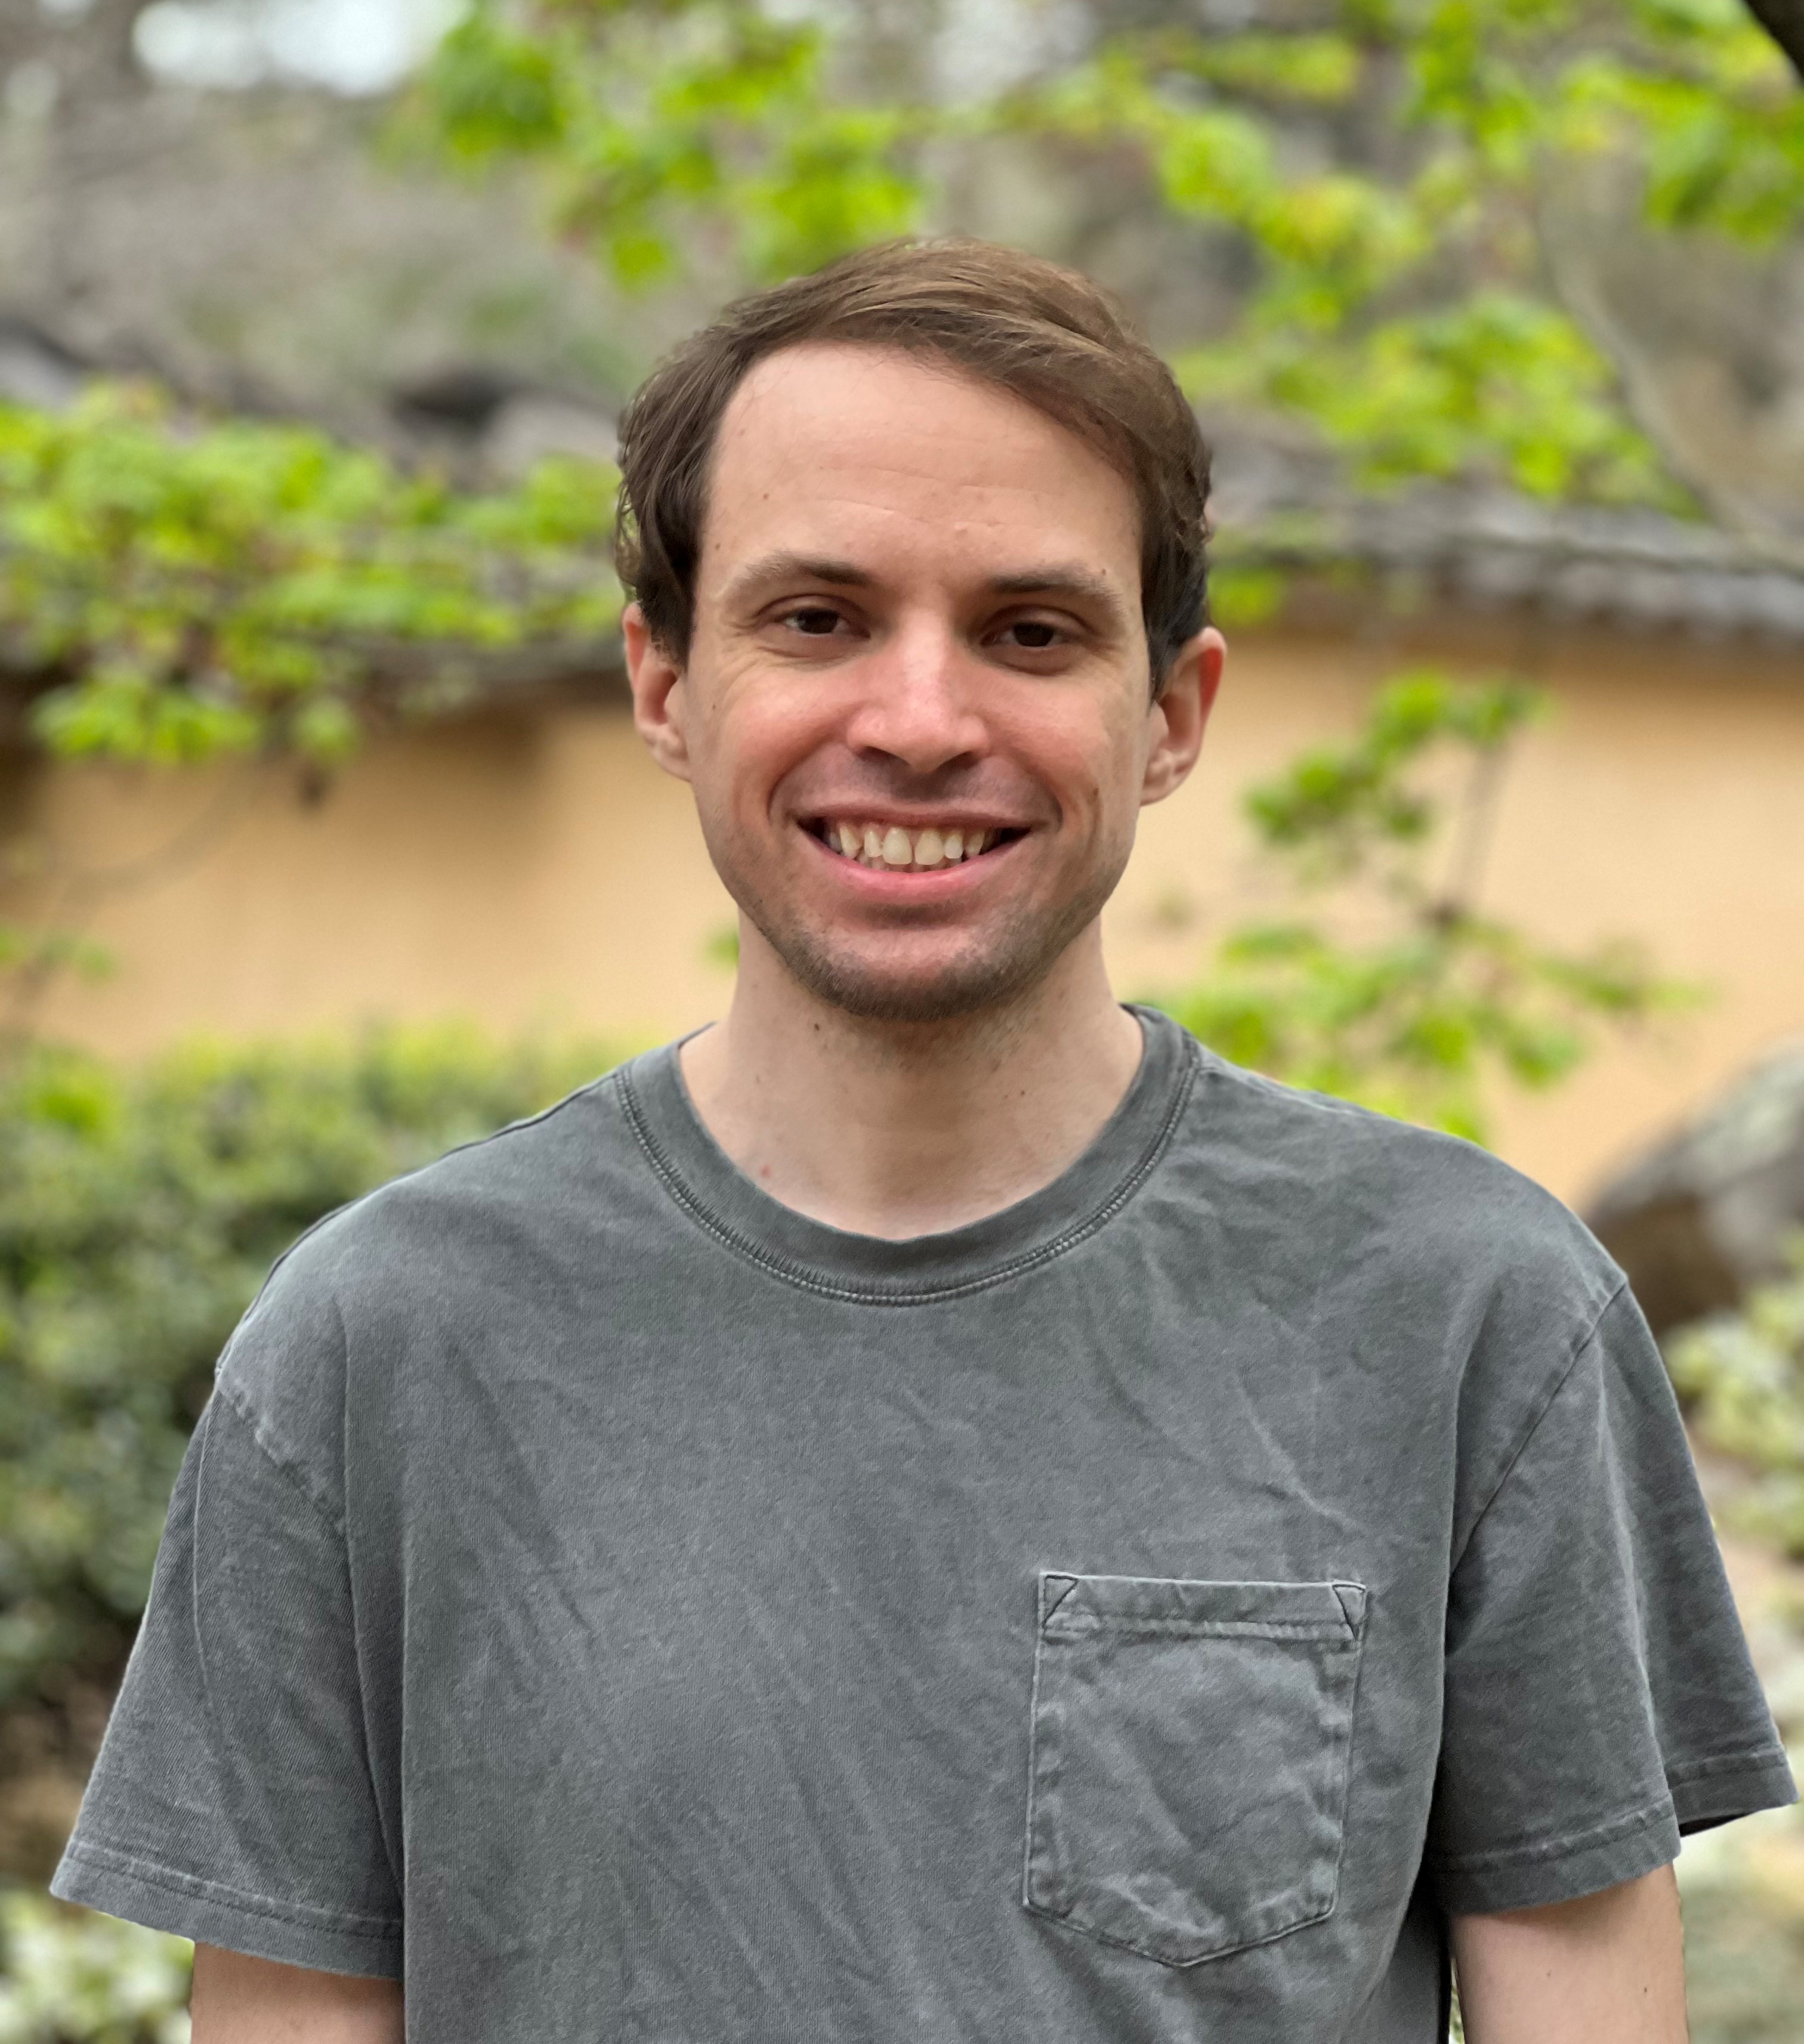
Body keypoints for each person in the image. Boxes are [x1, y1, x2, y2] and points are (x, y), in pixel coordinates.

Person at [54, 239, 1793, 2042]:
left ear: (1173, 714)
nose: (919, 723)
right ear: (664, 683)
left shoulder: (1470, 1316)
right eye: (817, 619)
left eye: (1030, 632)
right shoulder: (379, 1347)